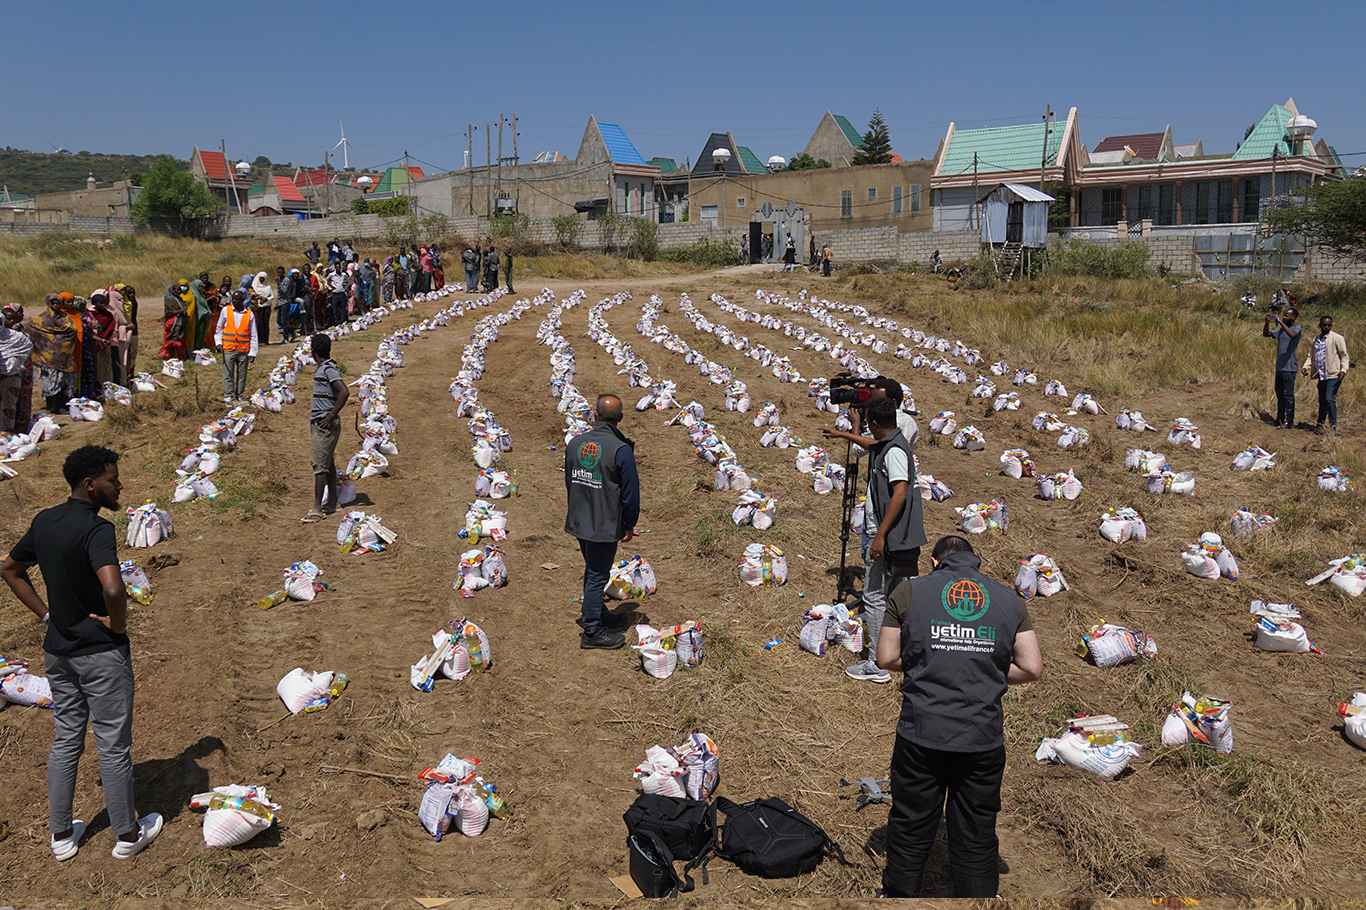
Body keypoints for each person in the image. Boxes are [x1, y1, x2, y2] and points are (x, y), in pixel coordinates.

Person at [1, 445, 165, 861]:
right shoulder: (97, 529)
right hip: (100, 654)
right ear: (90, 484)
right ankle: (127, 836)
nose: (120, 484)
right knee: (112, 745)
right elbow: (112, 587)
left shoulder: (44, 520)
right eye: (113, 478)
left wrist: (46, 615)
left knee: (66, 739)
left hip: (58, 651)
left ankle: (61, 836)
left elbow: (10, 568)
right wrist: (119, 624)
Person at [876, 534, 1043, 898]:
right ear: (975, 561)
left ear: (934, 562)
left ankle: (900, 897)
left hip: (921, 733)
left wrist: (929, 663)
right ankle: (980, 900)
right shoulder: (1009, 600)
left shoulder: (908, 592)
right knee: (976, 824)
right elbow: (1031, 668)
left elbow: (886, 658)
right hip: (981, 736)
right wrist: (986, 670)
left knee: (912, 819)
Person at [822, 387, 923, 683]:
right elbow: (869, 443)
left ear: (878, 424)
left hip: (888, 537)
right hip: (892, 535)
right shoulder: (891, 440)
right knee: (890, 595)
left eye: (868, 424)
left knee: (875, 596)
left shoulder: (893, 452)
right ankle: (893, 651)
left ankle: (877, 664)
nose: (867, 429)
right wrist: (843, 435)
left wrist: (879, 536)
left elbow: (900, 493)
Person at [564, 394, 639, 650]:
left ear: (595, 415)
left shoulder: (575, 443)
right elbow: (630, 494)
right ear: (620, 418)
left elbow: (570, 482)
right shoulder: (621, 450)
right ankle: (592, 632)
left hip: (579, 519)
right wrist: (629, 524)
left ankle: (599, 612)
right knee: (597, 575)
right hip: (602, 524)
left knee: (594, 569)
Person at [304, 333, 349, 523]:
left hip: (324, 423)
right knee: (327, 461)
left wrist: (330, 416)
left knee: (319, 465)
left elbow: (344, 391)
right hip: (322, 422)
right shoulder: (325, 368)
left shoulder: (328, 369)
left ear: (312, 351)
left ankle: (316, 508)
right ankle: (331, 502)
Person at [27, 295, 80, 412]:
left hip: (65, 356)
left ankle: (62, 406)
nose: (55, 305)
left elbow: (73, 329)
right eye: (53, 303)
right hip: (48, 357)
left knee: (63, 381)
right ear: (48, 303)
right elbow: (31, 327)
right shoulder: (43, 317)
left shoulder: (64, 316)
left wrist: (61, 337)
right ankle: (52, 407)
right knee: (51, 381)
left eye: (57, 303)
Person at [1302, 314, 1350, 434]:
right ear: (1320, 325)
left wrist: (1343, 370)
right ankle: (1320, 425)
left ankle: (1333, 427)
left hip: (1334, 374)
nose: (1326, 327)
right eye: (1324, 325)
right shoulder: (1316, 340)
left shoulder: (1337, 338)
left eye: (1329, 325)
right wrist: (1306, 366)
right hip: (1321, 374)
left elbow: (1344, 355)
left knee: (1329, 398)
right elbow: (1312, 355)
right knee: (1322, 399)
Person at [214, 290, 257, 403]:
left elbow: (253, 334)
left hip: (243, 349)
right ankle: (228, 395)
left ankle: (239, 395)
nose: (234, 301)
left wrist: (253, 352)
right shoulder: (226, 311)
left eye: (237, 299)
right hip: (228, 348)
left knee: (242, 374)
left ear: (243, 301)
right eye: (233, 299)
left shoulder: (249, 314)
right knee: (228, 373)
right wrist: (218, 342)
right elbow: (219, 328)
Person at [1263, 307, 1301, 429]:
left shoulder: (1296, 329)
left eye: (1286, 316)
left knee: (1288, 395)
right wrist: (1267, 323)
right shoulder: (1281, 330)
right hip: (1280, 367)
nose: (1284, 317)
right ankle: (1279, 418)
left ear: (1293, 317)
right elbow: (1266, 334)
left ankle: (1289, 421)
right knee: (1279, 394)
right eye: (1283, 315)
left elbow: (1293, 335)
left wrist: (1281, 322)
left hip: (1289, 368)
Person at [0, 304, 34, 432]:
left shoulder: (14, 337)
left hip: (11, 377)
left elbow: (27, 346)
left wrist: (15, 361)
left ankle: (7, 433)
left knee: (8, 406)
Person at [114, 284, 138, 379]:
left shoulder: (133, 303)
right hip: (122, 331)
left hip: (133, 330)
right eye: (129, 293)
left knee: (133, 352)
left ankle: (130, 372)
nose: (131, 295)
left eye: (133, 293)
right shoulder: (119, 304)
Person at [250, 271, 275, 346]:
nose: (261, 280)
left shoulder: (268, 287)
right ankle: (259, 340)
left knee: (265, 323)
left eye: (263, 278)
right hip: (258, 307)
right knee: (259, 323)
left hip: (266, 306)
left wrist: (266, 299)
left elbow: (272, 296)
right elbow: (253, 296)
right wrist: (259, 299)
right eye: (260, 278)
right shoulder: (254, 286)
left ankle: (265, 340)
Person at [327, 263, 347, 327]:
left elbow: (348, 281)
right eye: (337, 267)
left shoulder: (343, 275)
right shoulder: (331, 275)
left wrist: (345, 287)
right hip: (335, 293)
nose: (338, 268)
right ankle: (336, 322)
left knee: (343, 308)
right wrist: (330, 288)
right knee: (335, 309)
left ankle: (342, 322)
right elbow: (326, 281)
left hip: (342, 293)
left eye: (339, 267)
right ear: (335, 268)